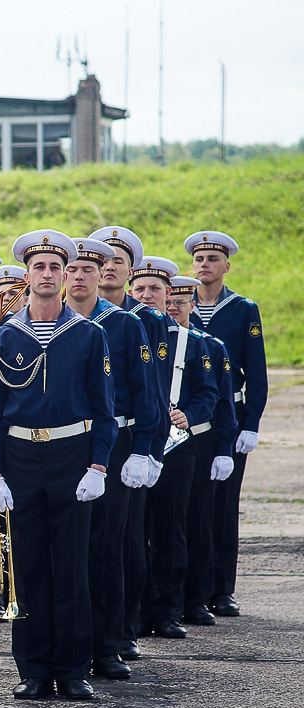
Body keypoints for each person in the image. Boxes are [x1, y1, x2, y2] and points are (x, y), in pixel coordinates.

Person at [0, 229, 116, 701]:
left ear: (64, 277)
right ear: (27, 275)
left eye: (55, 268)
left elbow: (104, 410)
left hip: (71, 457)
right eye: (39, 266)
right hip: (19, 460)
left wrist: (98, 466)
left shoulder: (88, 335)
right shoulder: (1, 337)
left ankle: (73, 669)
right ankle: (34, 669)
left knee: (73, 567)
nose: (47, 274)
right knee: (27, 566)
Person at [63, 238, 163, 680]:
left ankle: (108, 645)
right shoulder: (49, 322)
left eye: (91, 268)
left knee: (107, 548)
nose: (82, 276)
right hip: (64, 445)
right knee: (67, 550)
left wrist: (144, 450)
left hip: (117, 442)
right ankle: (69, 645)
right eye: (75, 269)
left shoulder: (123, 324)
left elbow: (148, 395)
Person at [130, 256, 218, 639]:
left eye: (155, 289)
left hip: (175, 443)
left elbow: (208, 392)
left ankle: (166, 611)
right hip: (134, 442)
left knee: (170, 528)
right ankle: (133, 613)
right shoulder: (122, 330)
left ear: (169, 294)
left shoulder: (192, 341)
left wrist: (188, 414)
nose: (147, 295)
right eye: (141, 289)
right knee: (131, 533)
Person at [186, 231, 267, 618]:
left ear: (226, 266)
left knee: (223, 505)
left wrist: (251, 422)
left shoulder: (242, 308)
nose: (204, 264)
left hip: (229, 416)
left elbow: (257, 372)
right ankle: (194, 588)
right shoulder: (180, 302)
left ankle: (222, 588)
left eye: (212, 259)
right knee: (193, 504)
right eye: (199, 258)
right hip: (190, 418)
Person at [167, 275, 238, 626]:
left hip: (197, 438)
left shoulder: (208, 345)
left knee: (198, 522)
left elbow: (222, 400)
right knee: (165, 525)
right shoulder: (152, 339)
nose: (174, 308)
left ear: (192, 306)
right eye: (169, 302)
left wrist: (225, 446)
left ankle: (197, 598)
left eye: (181, 302)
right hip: (162, 441)